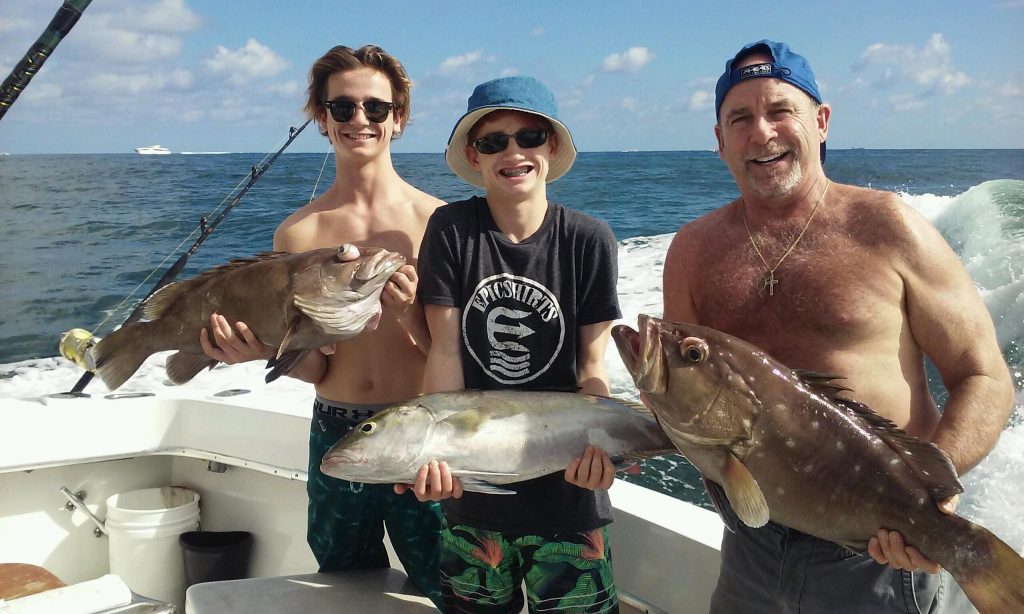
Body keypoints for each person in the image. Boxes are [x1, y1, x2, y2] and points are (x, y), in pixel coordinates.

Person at [662, 39, 1014, 612]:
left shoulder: (891, 227)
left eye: (781, 111)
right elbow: (680, 396)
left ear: (820, 122)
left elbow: (984, 375)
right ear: (720, 141)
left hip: (880, 553)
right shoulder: (693, 251)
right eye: (740, 118)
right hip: (750, 547)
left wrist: (932, 494)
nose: (762, 132)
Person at [197, 44, 445, 604]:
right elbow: (312, 360)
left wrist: (408, 317)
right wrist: (260, 349)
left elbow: (456, 351)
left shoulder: (437, 222)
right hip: (335, 428)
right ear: (321, 118)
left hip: (421, 429)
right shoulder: (297, 235)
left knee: (447, 586)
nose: (360, 120)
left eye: (376, 108)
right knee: (343, 590)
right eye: (343, 108)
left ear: (398, 119)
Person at [399, 76, 622, 613]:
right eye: (494, 142)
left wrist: (604, 449)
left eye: (528, 136)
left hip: (571, 502)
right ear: (475, 156)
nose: (513, 152)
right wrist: (433, 455)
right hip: (473, 507)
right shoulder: (452, 230)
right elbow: (446, 351)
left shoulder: (589, 239)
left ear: (550, 147)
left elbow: (592, 365)